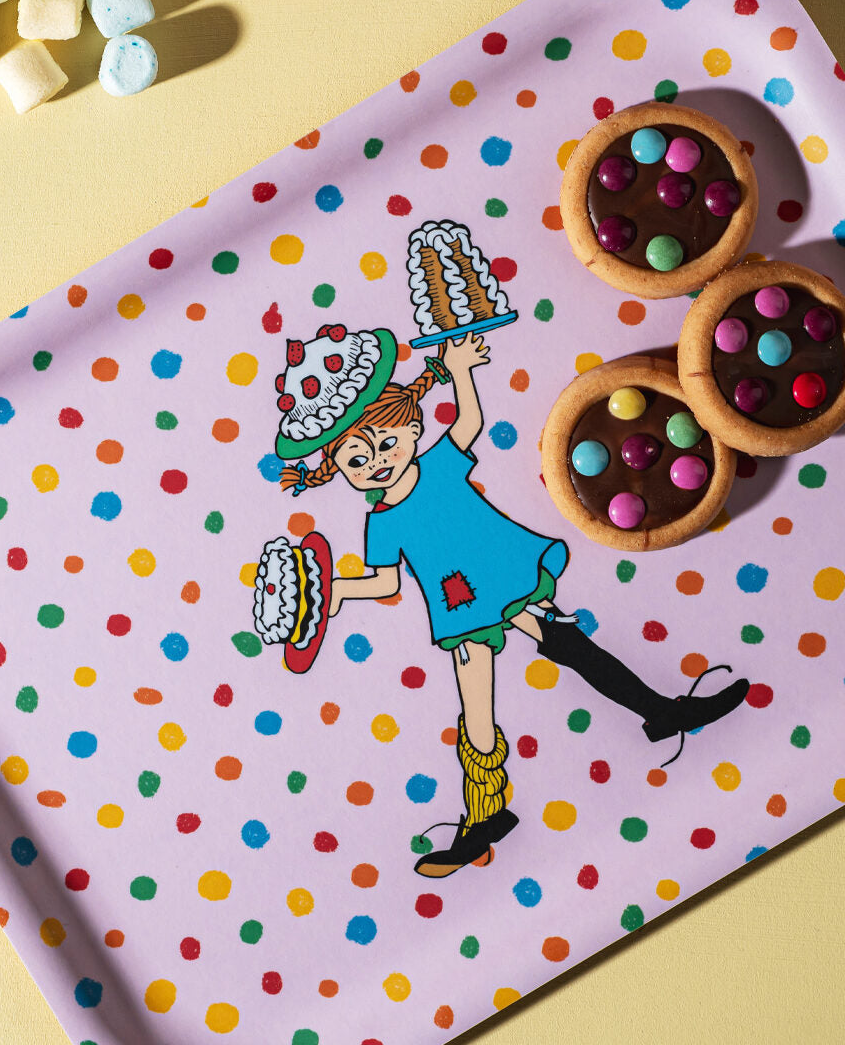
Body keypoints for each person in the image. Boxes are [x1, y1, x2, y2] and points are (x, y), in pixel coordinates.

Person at [277, 327, 750, 878]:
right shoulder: (381, 522)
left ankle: (660, 712)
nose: (377, 462)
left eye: (386, 443)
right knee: (477, 707)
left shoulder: (439, 465)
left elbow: (468, 424)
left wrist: (461, 370)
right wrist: (336, 590)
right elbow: (385, 583)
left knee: (570, 646)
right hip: (459, 607)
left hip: (500, 572)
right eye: (357, 460)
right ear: (340, 471)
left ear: (412, 429)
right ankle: (486, 814)